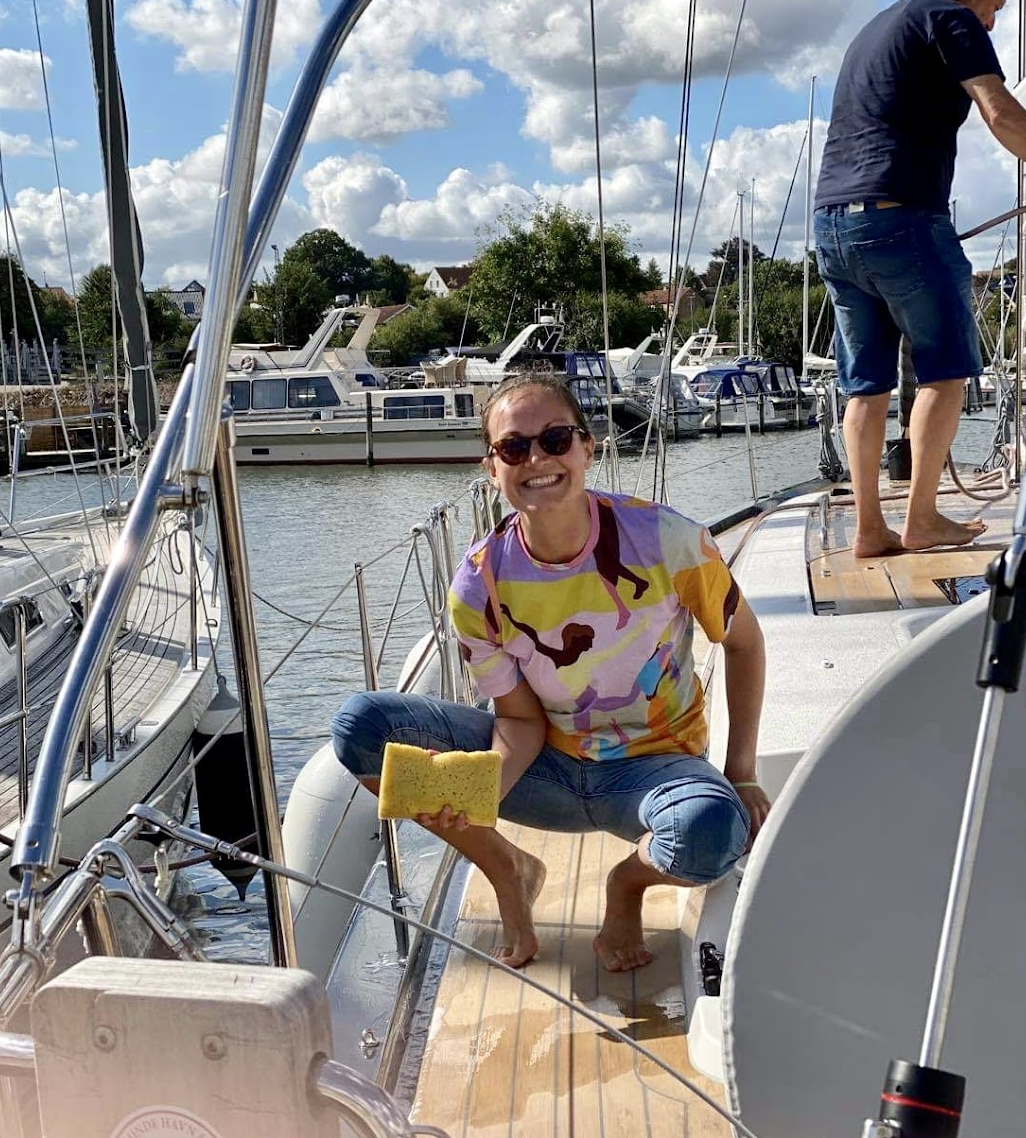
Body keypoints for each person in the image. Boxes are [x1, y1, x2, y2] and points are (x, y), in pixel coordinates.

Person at [331, 374, 769, 972]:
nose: (536, 459)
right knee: (360, 727)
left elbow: (744, 644)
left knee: (715, 831)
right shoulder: (479, 584)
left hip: (655, 771)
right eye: (514, 448)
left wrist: (741, 773)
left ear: (587, 447)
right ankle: (507, 868)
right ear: (492, 468)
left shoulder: (669, 542)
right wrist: (477, 796)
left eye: (555, 439)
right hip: (549, 773)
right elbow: (520, 722)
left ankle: (626, 885)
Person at [814, 0, 1026, 558]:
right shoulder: (951, 16)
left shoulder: (878, 26)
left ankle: (869, 529)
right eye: (996, 4)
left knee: (867, 385)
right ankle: (922, 518)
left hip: (832, 226)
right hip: (902, 218)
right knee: (946, 371)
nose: (993, 21)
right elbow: (1000, 114)